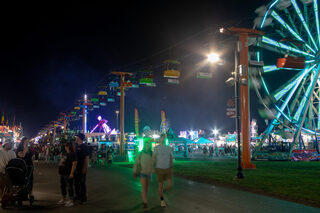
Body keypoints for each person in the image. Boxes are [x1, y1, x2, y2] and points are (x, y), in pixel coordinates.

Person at [152, 133, 173, 208]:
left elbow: (171, 158)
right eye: (162, 138)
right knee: (160, 186)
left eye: (164, 138)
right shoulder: (156, 148)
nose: (163, 139)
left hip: (167, 169)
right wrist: (152, 167)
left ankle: (162, 192)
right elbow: (154, 158)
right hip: (159, 168)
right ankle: (162, 200)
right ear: (160, 139)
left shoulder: (169, 148)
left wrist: (171, 167)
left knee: (169, 185)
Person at [133, 139, 153, 210]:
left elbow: (154, 163)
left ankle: (144, 199)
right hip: (142, 173)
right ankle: (145, 202)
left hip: (149, 173)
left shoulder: (151, 154)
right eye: (146, 145)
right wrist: (134, 172)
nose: (147, 147)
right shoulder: (140, 153)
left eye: (148, 145)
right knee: (144, 188)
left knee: (146, 188)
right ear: (144, 146)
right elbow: (136, 163)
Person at [57, 142, 77, 207]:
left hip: (68, 173)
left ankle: (71, 201)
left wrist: (71, 173)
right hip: (62, 173)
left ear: (68, 147)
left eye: (66, 146)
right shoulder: (66, 153)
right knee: (62, 186)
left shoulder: (72, 154)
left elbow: (74, 164)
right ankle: (64, 198)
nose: (65, 147)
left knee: (69, 187)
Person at [74, 133, 89, 204]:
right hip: (76, 168)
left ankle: (84, 199)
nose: (75, 138)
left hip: (81, 167)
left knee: (82, 183)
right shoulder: (76, 146)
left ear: (79, 138)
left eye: (76, 137)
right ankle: (78, 196)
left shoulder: (84, 147)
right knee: (76, 183)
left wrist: (84, 168)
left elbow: (86, 158)